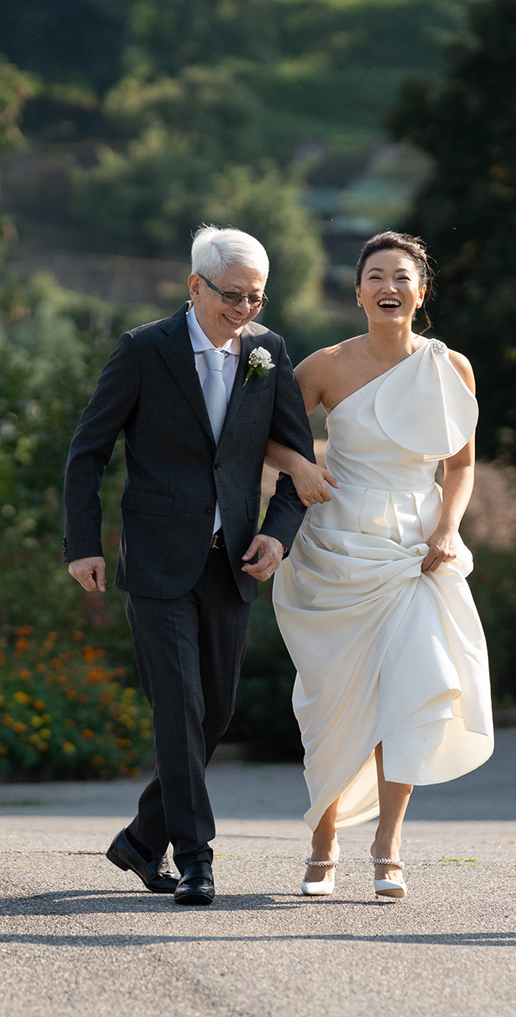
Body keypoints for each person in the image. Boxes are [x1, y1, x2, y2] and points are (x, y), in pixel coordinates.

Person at [62, 226, 314, 906]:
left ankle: (140, 839)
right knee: (179, 708)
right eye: (232, 296)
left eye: (256, 298)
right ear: (196, 285)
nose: (244, 310)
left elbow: (297, 462)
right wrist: (82, 542)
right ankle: (195, 858)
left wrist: (278, 536)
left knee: (215, 713)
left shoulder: (267, 352)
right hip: (156, 561)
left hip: (232, 563)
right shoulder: (144, 350)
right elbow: (88, 451)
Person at [263, 231, 494, 901]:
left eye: (402, 277)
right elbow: (264, 435)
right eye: (375, 277)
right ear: (359, 291)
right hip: (337, 547)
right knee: (333, 703)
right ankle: (323, 841)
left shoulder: (452, 367)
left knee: (409, 694)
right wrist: (302, 465)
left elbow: (461, 465)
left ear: (421, 292)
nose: (389, 287)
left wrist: (447, 529)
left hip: (417, 551)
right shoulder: (325, 366)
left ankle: (388, 844)